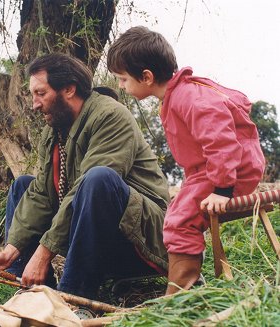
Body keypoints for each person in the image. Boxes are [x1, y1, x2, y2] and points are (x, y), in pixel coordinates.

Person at [0, 53, 170, 299]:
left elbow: (85, 190)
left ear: (68, 89)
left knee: (99, 179)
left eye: (41, 94)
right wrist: (10, 251)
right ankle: (29, 287)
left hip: (144, 238)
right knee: (23, 185)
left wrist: (43, 254)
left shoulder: (110, 116)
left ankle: (73, 296)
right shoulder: (53, 131)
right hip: (94, 235)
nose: (34, 104)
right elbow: (42, 196)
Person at [107, 26, 265, 294]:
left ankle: (180, 293)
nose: (121, 86)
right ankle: (185, 280)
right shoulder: (176, 96)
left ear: (146, 76)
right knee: (177, 210)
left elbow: (220, 139)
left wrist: (222, 189)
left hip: (232, 171)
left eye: (122, 79)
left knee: (180, 220)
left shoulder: (187, 96)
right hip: (211, 170)